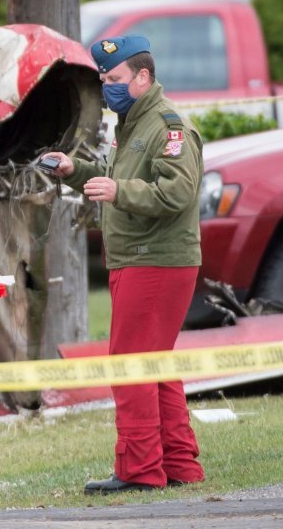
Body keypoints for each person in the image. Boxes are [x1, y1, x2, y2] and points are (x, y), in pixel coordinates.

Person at [42, 35, 205, 494]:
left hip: (156, 259)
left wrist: (119, 192)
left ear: (143, 77)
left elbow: (177, 193)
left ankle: (138, 470)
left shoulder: (168, 126)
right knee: (154, 363)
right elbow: (117, 181)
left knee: (131, 362)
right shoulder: (132, 123)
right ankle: (178, 464)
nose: (106, 87)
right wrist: (73, 170)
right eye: (103, 79)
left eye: (114, 79)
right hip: (137, 257)